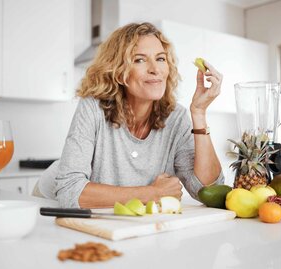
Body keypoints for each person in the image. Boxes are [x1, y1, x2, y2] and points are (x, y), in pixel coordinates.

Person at [37, 22, 224, 208]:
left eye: (160, 58)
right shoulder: (92, 108)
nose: (155, 69)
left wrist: (199, 114)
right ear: (119, 73)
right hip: (48, 200)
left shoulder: (176, 118)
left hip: (112, 213)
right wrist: (152, 193)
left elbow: (209, 191)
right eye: (139, 60)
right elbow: (69, 191)